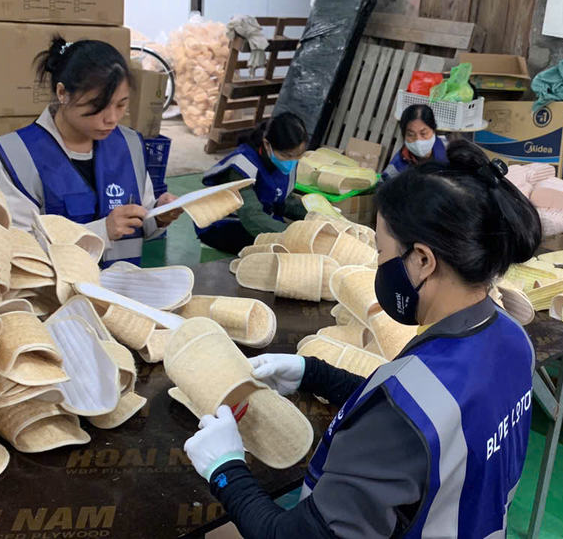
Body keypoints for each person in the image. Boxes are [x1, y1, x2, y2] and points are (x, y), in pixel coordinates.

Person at [183, 141, 541, 538]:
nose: (378, 264)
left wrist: (225, 468)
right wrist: (313, 373)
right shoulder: (512, 339)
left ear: (423, 260)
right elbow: (434, 417)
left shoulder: (402, 420)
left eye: (381, 251)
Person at [0, 37, 182, 266]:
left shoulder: (129, 145)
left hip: (123, 285)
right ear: (62, 93)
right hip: (59, 289)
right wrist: (102, 231)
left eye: (121, 105)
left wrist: (159, 216)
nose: (112, 118)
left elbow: (142, 220)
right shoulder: (19, 156)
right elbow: (20, 249)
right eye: (97, 106)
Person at [196, 112, 309, 254]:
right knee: (282, 248)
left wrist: (316, 216)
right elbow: (251, 216)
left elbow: (284, 199)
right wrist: (294, 236)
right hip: (224, 224)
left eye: (298, 156)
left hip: (259, 216)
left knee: (299, 236)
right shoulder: (242, 165)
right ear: (267, 144)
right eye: (287, 155)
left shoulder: (287, 162)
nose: (292, 161)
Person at [381, 104, 447, 181]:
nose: (418, 140)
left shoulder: (449, 149)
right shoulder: (398, 164)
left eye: (423, 133)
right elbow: (383, 184)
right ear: (404, 136)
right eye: (411, 135)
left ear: (433, 130)